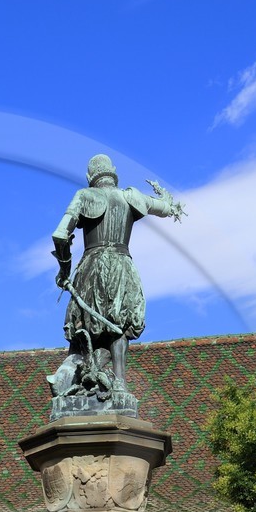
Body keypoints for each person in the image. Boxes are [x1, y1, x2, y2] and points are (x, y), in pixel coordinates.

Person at [49, 154, 183, 400]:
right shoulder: (131, 197)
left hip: (92, 266)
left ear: (91, 177)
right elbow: (167, 208)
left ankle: (85, 376)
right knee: (119, 322)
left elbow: (60, 234)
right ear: (114, 173)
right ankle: (119, 382)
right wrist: (167, 201)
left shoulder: (85, 196)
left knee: (86, 325)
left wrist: (64, 270)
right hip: (123, 265)